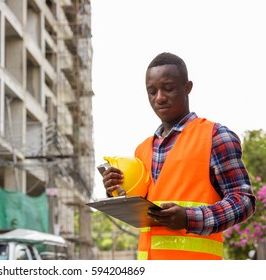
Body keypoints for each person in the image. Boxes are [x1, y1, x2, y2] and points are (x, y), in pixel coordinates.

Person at [102, 52, 256, 260]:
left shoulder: (216, 137)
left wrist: (189, 218)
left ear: (187, 87)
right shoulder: (142, 150)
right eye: (152, 91)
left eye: (168, 88)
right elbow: (141, 207)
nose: (159, 98)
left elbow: (243, 201)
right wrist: (115, 190)